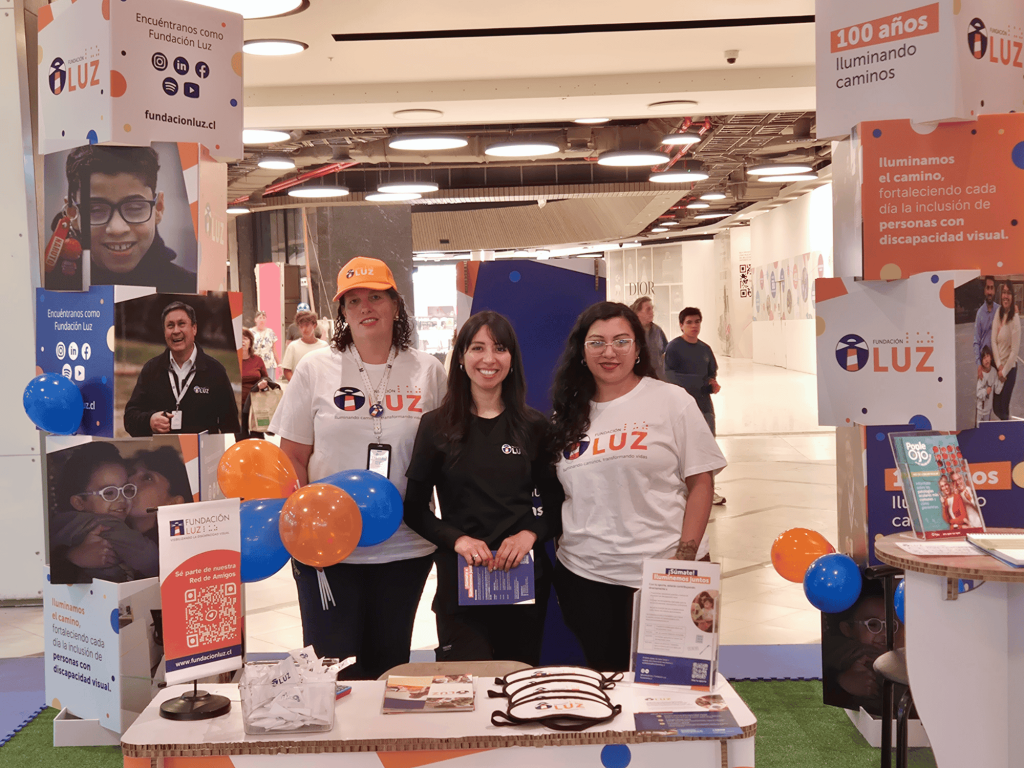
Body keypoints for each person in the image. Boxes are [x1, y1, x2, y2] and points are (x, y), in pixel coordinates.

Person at [269, 256, 447, 680]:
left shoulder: (428, 371)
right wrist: (305, 530)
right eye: (353, 301)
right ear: (343, 313)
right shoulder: (316, 369)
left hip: (405, 547)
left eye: (375, 297)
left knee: (390, 667)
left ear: (395, 304)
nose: (365, 308)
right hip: (329, 551)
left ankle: (386, 748)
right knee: (333, 671)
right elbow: (292, 455)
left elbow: (444, 458)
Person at [548, 301, 726, 672]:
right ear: (581, 350)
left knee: (676, 692)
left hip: (666, 573)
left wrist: (684, 561)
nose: (609, 351)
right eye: (596, 342)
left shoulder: (671, 400)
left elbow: (701, 481)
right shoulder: (566, 413)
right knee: (608, 685)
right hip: (586, 576)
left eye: (621, 341)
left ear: (638, 347)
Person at [403, 311, 563, 665]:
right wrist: (457, 540)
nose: (489, 359)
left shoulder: (533, 426)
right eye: (477, 348)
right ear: (460, 357)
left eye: (500, 348)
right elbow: (413, 508)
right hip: (461, 585)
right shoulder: (436, 426)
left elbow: (556, 506)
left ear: (512, 360)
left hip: (521, 583)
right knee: (465, 689)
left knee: (517, 682)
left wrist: (529, 536)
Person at [49, 145, 195, 292]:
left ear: (158, 208)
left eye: (134, 208)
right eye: (96, 210)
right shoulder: (47, 285)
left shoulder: (190, 288)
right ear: (72, 213)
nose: (117, 229)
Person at [124, 301, 240, 436]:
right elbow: (130, 418)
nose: (176, 331)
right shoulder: (151, 369)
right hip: (164, 454)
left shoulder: (215, 371)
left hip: (202, 454)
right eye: (170, 326)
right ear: (164, 332)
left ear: (194, 329)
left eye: (181, 324)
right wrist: (149, 421)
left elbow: (231, 426)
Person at [49, 442, 158, 584]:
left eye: (125, 489)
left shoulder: (62, 524)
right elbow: (151, 560)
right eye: (109, 493)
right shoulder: (106, 524)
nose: (122, 498)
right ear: (79, 502)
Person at [664, 307, 726, 505]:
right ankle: (682, 491)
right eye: (689, 322)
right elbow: (670, 377)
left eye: (697, 321)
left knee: (706, 449)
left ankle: (708, 491)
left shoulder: (705, 349)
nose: (694, 326)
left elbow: (710, 374)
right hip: (680, 407)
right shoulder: (673, 348)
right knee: (681, 449)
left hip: (704, 405)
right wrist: (697, 382)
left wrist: (711, 384)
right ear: (681, 325)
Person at [991, 281, 1021, 421]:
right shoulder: (998, 313)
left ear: (1012, 296)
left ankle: (1006, 440)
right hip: (998, 369)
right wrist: (998, 366)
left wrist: (1003, 372)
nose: (1006, 296)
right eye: (1004, 292)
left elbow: (1014, 351)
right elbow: (993, 341)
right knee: (996, 407)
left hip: (1009, 371)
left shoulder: (1014, 319)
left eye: (1009, 293)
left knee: (1003, 410)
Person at [280, 309, 329, 381]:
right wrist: (295, 384)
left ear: (314, 326)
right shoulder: (293, 346)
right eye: (301, 326)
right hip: (299, 388)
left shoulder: (324, 346)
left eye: (307, 325)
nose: (304, 329)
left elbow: (328, 368)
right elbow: (287, 370)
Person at [239, 328, 270, 439]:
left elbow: (266, 378)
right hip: (237, 406)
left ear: (250, 342)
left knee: (257, 437)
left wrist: (264, 383)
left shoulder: (257, 360)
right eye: (240, 338)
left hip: (257, 406)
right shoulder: (233, 361)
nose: (243, 341)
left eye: (245, 338)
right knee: (241, 438)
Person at [630, 296, 668, 380]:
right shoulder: (631, 331)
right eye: (648, 309)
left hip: (658, 378)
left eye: (652, 309)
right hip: (637, 378)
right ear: (637, 312)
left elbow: (663, 353)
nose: (652, 312)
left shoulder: (657, 331)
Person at [975, 276, 998, 380]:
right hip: (985, 363)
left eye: (992, 288)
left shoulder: (999, 310)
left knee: (998, 393)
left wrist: (1014, 311)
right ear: (984, 290)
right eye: (987, 288)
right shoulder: (979, 314)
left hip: (998, 361)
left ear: (994, 290)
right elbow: (976, 341)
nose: (990, 291)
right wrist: (979, 365)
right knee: (985, 394)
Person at [251, 311, 278, 380]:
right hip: (255, 365)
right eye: (260, 318)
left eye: (263, 318)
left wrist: (279, 363)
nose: (262, 320)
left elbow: (274, 349)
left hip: (269, 364)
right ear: (255, 320)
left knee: (270, 385)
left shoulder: (270, 332)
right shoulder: (250, 332)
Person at [977, 344, 999, 424]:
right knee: (978, 430)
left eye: (988, 357)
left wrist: (1001, 380)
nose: (986, 360)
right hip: (979, 411)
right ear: (981, 360)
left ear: (991, 357)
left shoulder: (993, 372)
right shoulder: (980, 373)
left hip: (988, 410)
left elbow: (997, 390)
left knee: (986, 429)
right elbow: (977, 392)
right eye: (984, 358)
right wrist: (985, 391)